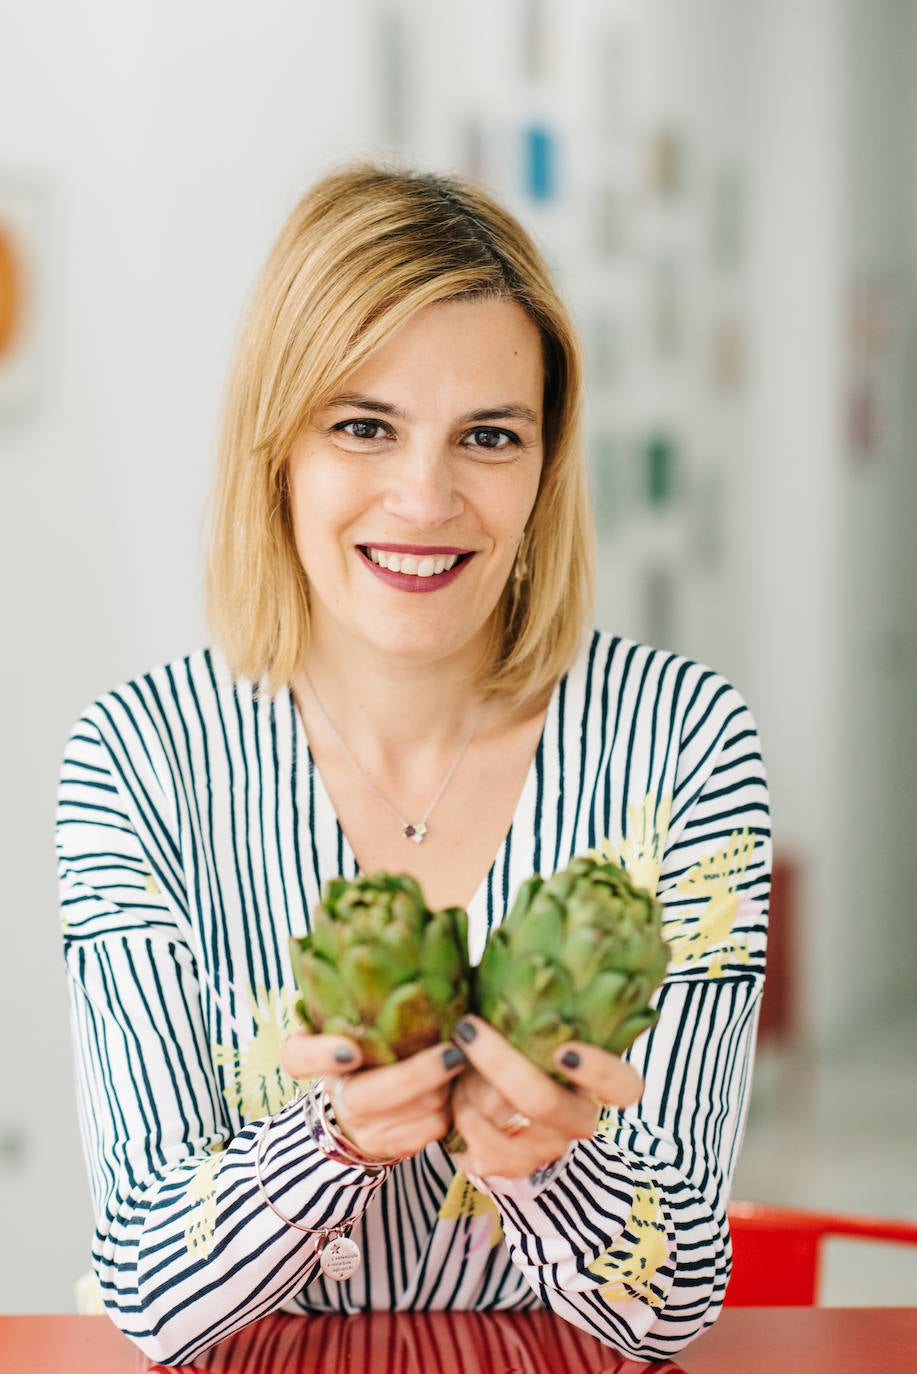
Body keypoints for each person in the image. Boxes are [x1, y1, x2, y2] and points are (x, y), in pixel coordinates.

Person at [56, 163, 771, 1367]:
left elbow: (678, 1291)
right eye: (362, 425)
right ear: (275, 447)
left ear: (543, 470)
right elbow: (147, 1288)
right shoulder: (138, 759)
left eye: (488, 435)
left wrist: (552, 1166)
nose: (424, 495)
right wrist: (328, 1141)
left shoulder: (685, 745)